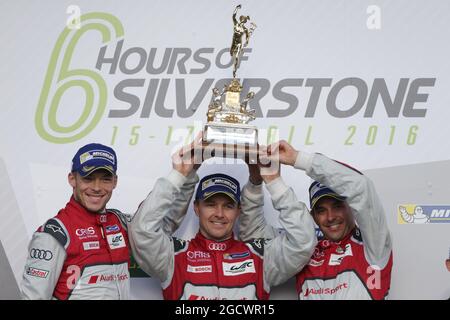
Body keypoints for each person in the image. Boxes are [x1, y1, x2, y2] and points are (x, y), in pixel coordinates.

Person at [128, 135, 316, 300]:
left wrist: (274, 181)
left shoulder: (260, 257)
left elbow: (303, 241)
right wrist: (179, 175)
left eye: (228, 206)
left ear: (238, 210)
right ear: (196, 207)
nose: (219, 214)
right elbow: (142, 231)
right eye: (210, 204)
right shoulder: (174, 256)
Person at [20, 143, 196, 299]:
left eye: (105, 179)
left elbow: (157, 225)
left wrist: (185, 177)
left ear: (115, 181)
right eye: (88, 178)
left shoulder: (118, 222)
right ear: (72, 179)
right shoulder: (54, 234)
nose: (96, 188)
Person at [239, 140, 393, 300]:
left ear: (351, 208)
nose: (331, 216)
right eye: (321, 210)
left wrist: (298, 159)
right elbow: (254, 239)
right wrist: (256, 182)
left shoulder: (372, 244)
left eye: (337, 206)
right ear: (313, 216)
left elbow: (361, 188)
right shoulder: (305, 247)